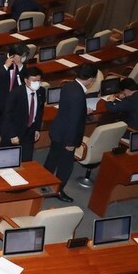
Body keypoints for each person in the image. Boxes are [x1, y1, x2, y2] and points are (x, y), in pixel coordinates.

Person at [44, 63, 98, 202]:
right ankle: (59, 190)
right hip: (67, 136)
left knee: (52, 158)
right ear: (91, 79)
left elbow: (69, 110)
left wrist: (82, 110)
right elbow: (74, 121)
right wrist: (70, 142)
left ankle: (43, 182)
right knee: (66, 166)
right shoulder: (79, 95)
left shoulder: (68, 85)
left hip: (58, 130)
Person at [0, 66, 46, 163]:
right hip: (14, 131)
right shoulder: (16, 94)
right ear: (26, 80)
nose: (37, 83)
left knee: (26, 161)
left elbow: (39, 111)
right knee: (6, 161)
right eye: (34, 80)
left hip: (30, 132)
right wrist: (12, 135)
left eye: (39, 80)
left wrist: (37, 128)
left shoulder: (41, 91)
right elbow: (7, 116)